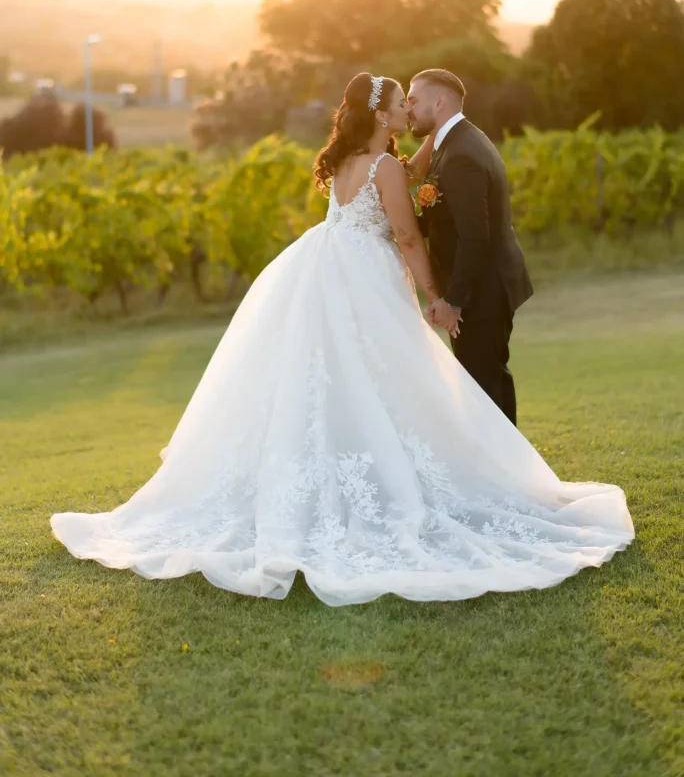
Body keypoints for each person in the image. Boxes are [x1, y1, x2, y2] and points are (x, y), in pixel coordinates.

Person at [51, 74, 633, 607]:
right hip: (368, 278)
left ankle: (334, 485)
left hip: (326, 269)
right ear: (382, 115)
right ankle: (395, 488)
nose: (408, 110)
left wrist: (428, 146)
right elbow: (406, 235)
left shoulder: (355, 160)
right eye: (400, 104)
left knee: (330, 384)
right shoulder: (382, 167)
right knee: (385, 380)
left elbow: (403, 174)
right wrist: (435, 297)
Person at [407, 68, 533, 425]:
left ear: (440, 101)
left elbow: (475, 236)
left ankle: (506, 476)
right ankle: (503, 473)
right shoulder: (458, 141)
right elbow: (444, 220)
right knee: (483, 387)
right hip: (484, 290)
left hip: (481, 296)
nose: (409, 108)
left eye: (414, 100)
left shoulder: (460, 152)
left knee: (486, 390)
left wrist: (453, 301)